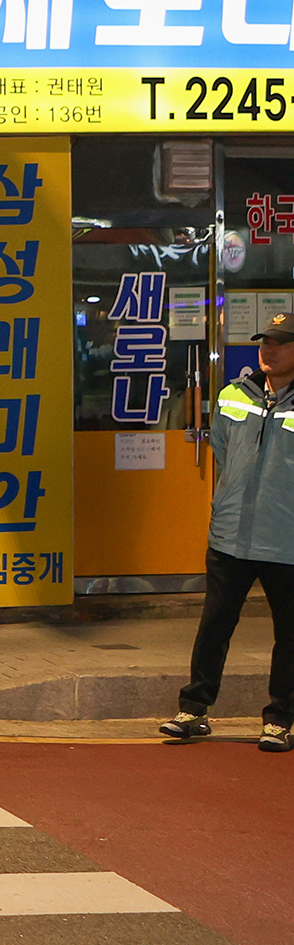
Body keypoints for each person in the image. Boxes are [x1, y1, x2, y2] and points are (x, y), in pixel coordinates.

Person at [161, 312, 294, 751]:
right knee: (215, 625)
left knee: (289, 635)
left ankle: (279, 720)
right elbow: (221, 448)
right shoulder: (235, 394)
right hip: (231, 535)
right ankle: (193, 709)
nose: (268, 350)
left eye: (279, 343)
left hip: (286, 540)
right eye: (265, 342)